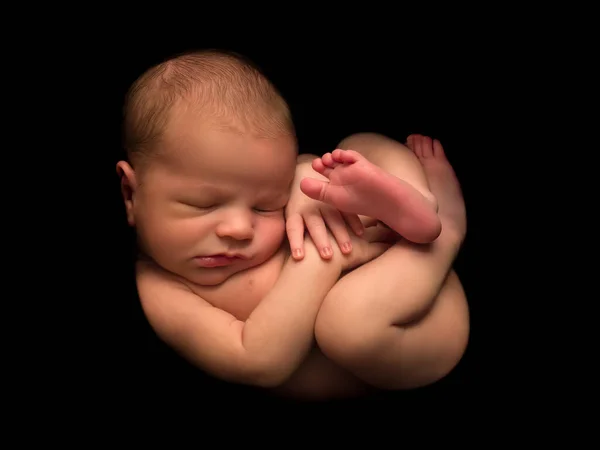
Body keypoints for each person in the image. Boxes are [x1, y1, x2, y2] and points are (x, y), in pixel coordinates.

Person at [116, 48, 469, 400]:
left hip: (401, 257)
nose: (239, 228)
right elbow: (258, 361)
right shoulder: (160, 289)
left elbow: (300, 173)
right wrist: (323, 260)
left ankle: (421, 200)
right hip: (421, 326)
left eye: (267, 206)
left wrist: (302, 181)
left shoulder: (266, 183)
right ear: (131, 194)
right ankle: (448, 232)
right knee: (346, 325)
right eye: (203, 205)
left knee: (351, 149)